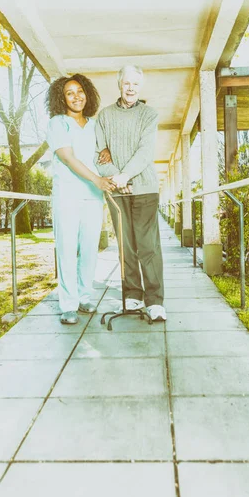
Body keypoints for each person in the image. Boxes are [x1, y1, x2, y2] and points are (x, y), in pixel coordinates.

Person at [95, 65, 166, 321]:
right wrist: (118, 179)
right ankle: (133, 296)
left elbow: (146, 152)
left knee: (148, 247)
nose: (131, 88)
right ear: (119, 84)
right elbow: (100, 154)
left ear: (141, 86)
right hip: (117, 192)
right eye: (127, 83)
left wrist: (125, 176)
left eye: (136, 83)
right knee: (126, 247)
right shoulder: (104, 117)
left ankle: (155, 301)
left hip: (144, 188)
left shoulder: (149, 115)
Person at [46, 74, 115, 324]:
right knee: (66, 249)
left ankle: (85, 296)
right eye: (69, 93)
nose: (76, 96)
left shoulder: (95, 125)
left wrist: (106, 149)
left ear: (88, 93)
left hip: (92, 198)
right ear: (61, 98)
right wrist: (97, 179)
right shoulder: (58, 123)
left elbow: (102, 148)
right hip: (67, 196)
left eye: (80, 91)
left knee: (88, 250)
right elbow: (67, 157)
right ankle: (68, 304)